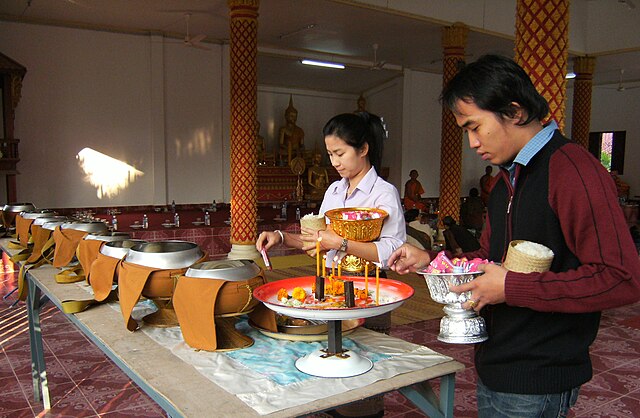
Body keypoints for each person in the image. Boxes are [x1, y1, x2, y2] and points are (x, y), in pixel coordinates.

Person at [388, 54, 640, 417]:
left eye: (475, 126)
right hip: (498, 360)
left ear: (515, 111)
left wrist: (512, 287)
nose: (472, 143)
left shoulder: (572, 170)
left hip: (539, 373)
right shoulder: (509, 180)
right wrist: (432, 261)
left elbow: (621, 279)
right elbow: (490, 260)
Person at [258, 111, 405, 418]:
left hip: (368, 289)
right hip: (333, 288)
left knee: (363, 379)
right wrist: (281, 237)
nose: (335, 162)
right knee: (333, 366)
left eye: (340, 153)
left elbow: (390, 249)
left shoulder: (383, 193)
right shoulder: (335, 190)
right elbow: (316, 240)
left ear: (363, 149)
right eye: (330, 154)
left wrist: (339, 242)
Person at [278, 95, 305, 165]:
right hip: (286, 151)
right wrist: (289, 148)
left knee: (306, 153)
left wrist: (299, 149)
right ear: (286, 116)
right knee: (280, 152)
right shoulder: (283, 130)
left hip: (297, 151)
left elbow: (302, 145)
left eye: (295, 116)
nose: (294, 118)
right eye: (291, 116)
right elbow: (281, 144)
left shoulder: (300, 130)